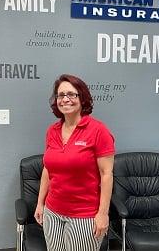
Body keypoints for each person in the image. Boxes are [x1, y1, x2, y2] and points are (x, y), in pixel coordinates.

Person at [34, 74, 115, 251]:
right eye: (61, 95)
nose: (65, 99)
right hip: (52, 212)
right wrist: (40, 203)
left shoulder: (98, 131)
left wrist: (103, 214)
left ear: (82, 98)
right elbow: (48, 169)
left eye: (71, 94)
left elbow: (106, 175)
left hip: (84, 216)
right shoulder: (52, 131)